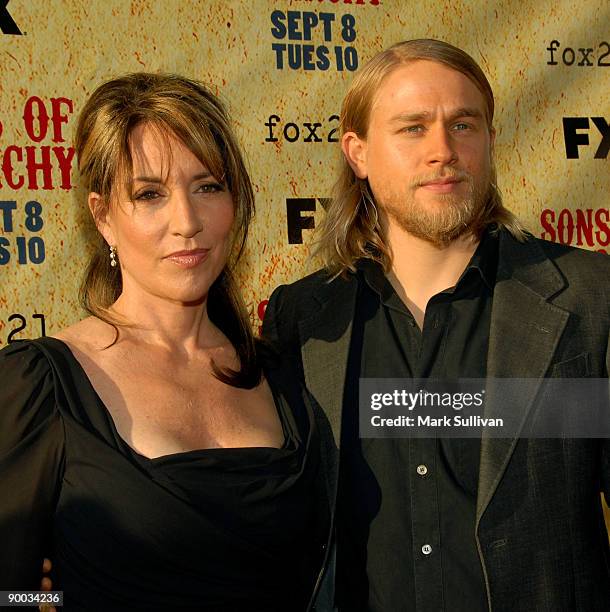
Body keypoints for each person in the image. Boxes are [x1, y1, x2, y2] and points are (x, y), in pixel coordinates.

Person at [263, 39, 610, 611]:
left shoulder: (592, 300)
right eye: (412, 128)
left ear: (490, 140)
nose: (443, 150)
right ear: (358, 153)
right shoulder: (304, 320)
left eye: (463, 125)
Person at [0, 73, 331, 611]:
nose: (187, 222)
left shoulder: (285, 369)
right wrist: (54, 601)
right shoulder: (40, 384)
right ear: (103, 215)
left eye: (208, 187)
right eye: (150, 194)